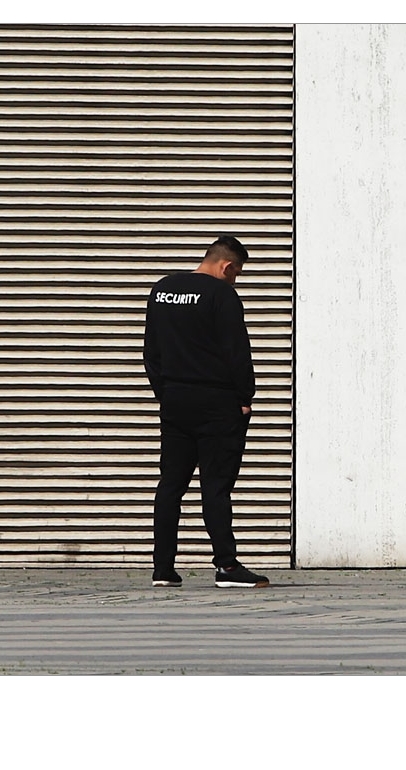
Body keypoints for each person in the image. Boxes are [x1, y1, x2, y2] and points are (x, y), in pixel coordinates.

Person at [143, 236, 270, 589]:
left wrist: (165, 392)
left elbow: (151, 350)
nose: (235, 280)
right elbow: (236, 350)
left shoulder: (162, 290)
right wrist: (245, 397)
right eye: (237, 273)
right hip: (217, 403)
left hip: (175, 401)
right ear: (227, 267)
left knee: (171, 485)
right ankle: (226, 566)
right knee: (216, 486)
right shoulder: (221, 295)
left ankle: (163, 569)